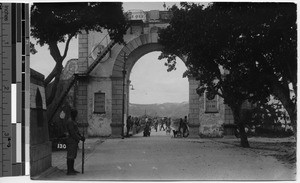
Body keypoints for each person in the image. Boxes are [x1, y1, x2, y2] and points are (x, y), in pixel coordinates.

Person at [66, 109, 85, 175]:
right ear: (72, 114)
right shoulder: (70, 121)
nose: (76, 115)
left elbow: (76, 131)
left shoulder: (73, 121)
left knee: (73, 155)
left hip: (74, 141)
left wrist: (81, 136)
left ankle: (72, 169)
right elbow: (72, 133)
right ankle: (69, 170)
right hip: (71, 140)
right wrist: (79, 138)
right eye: (75, 114)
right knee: (70, 155)